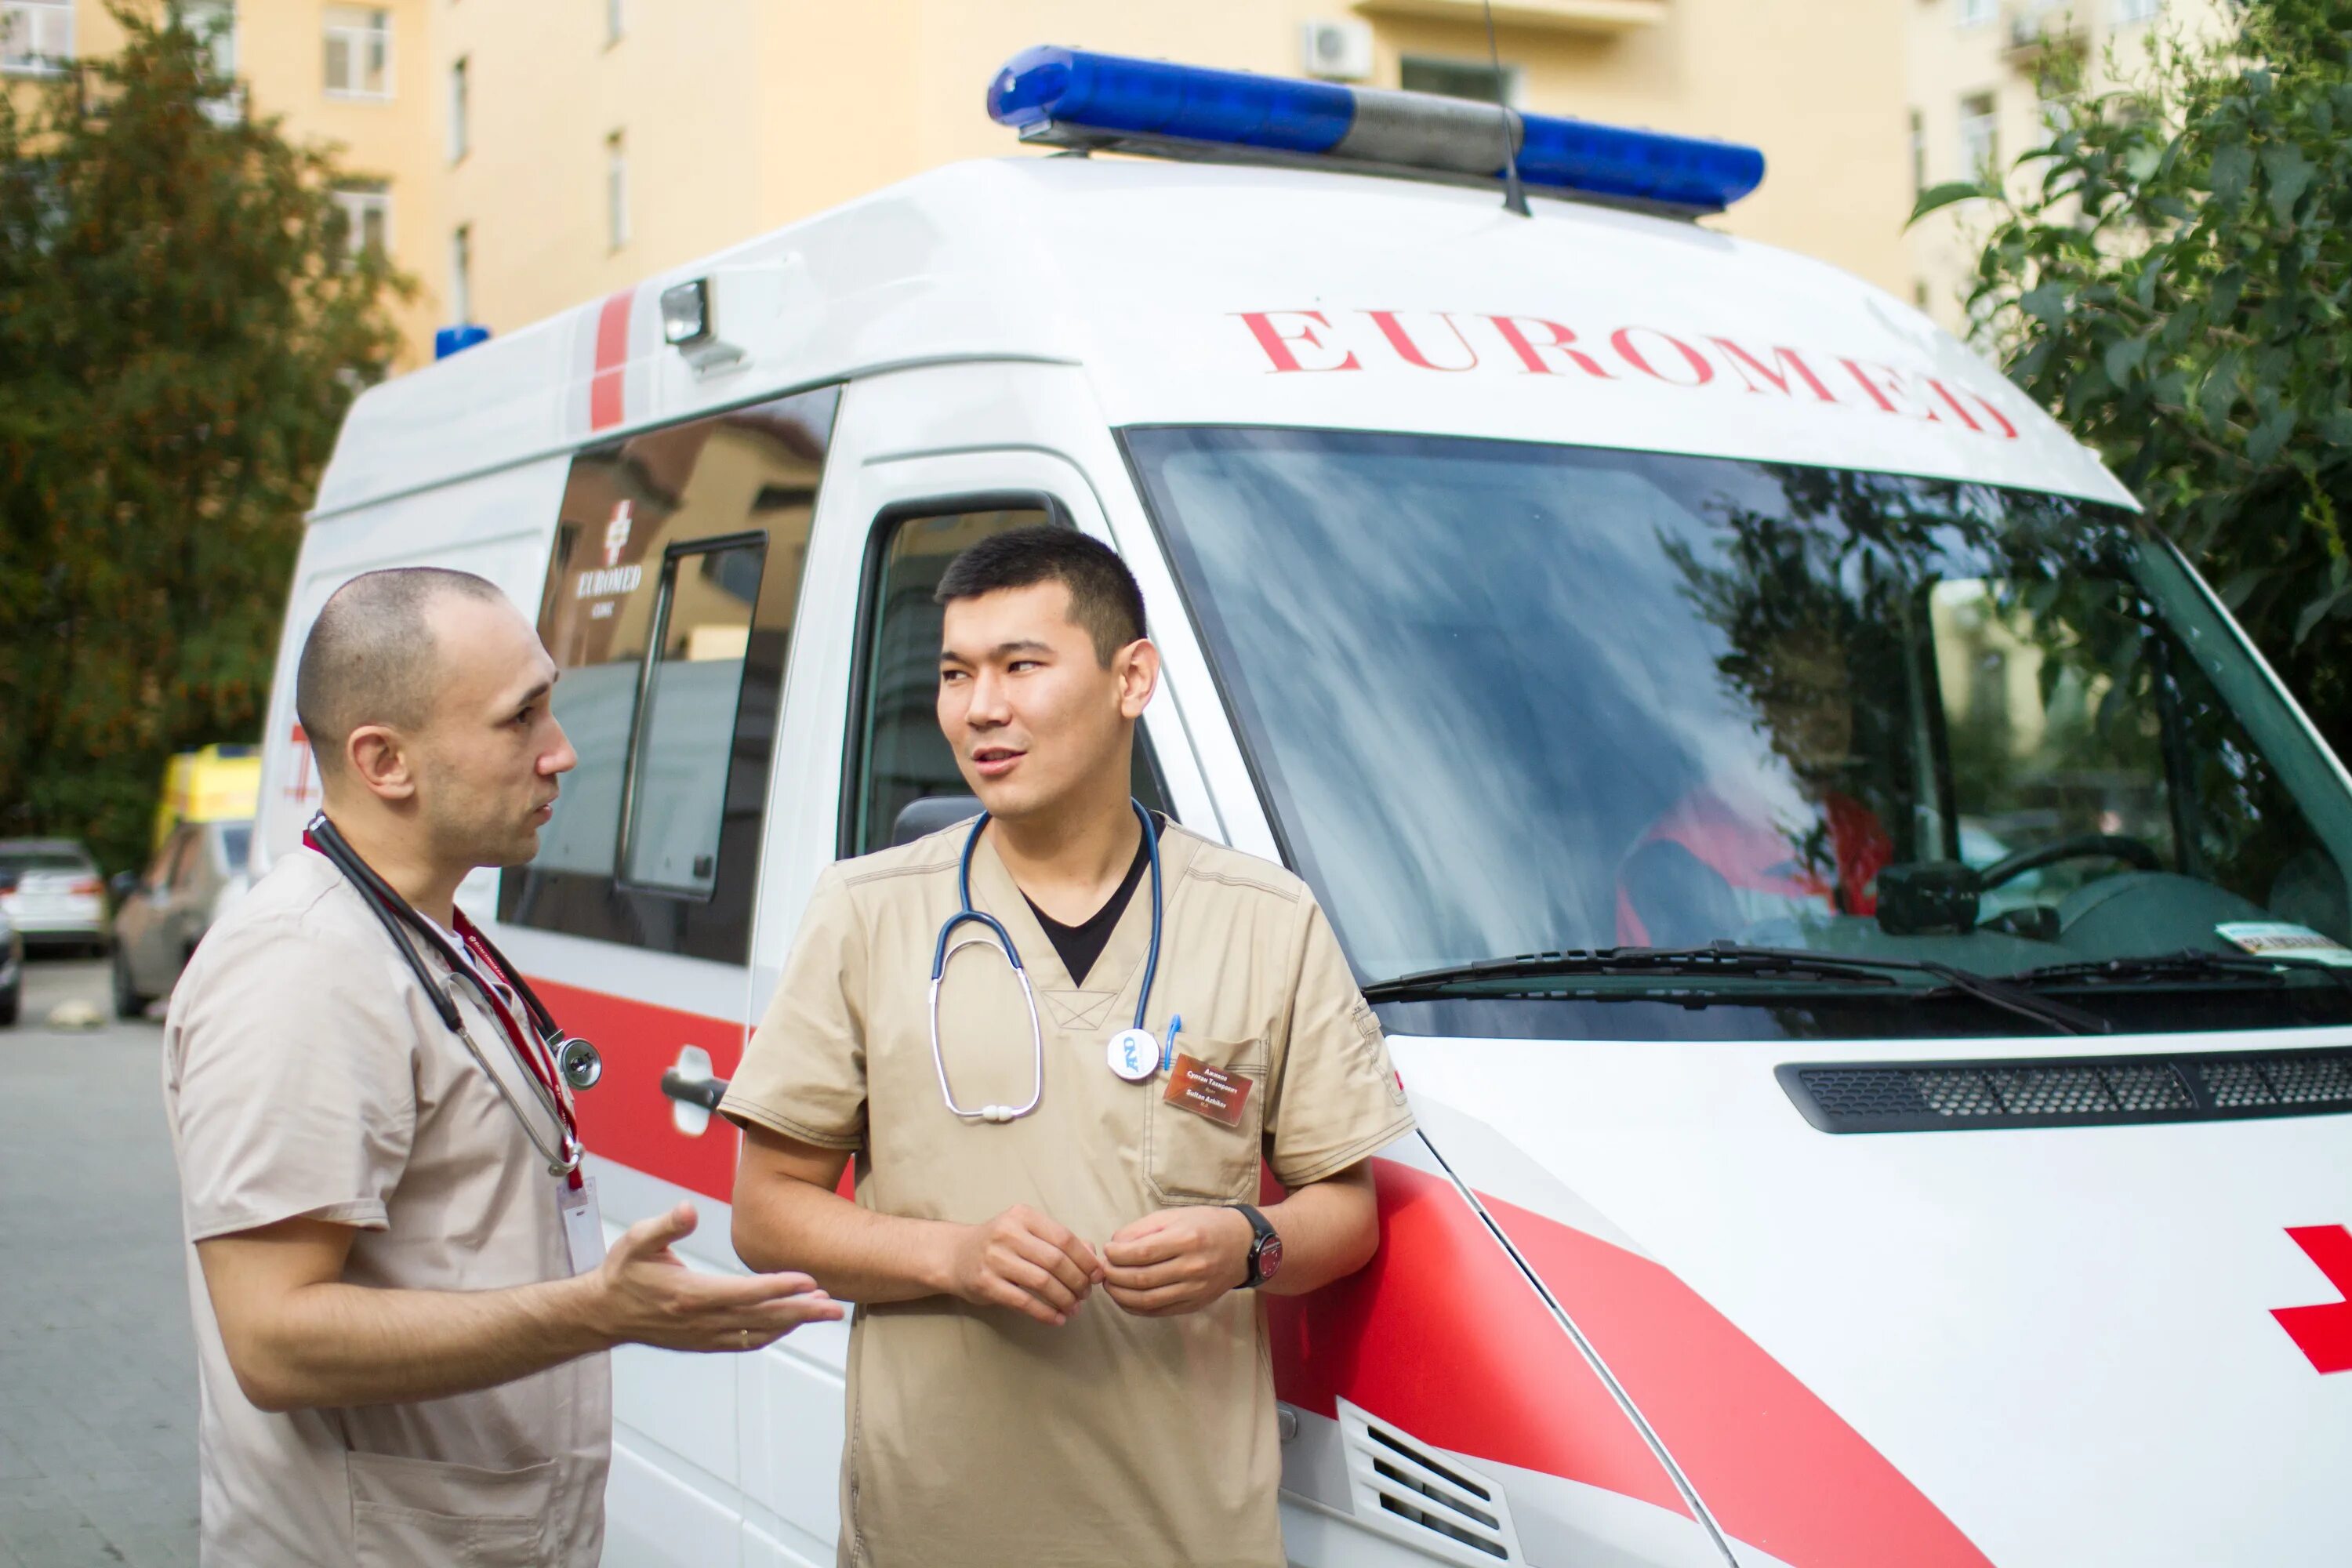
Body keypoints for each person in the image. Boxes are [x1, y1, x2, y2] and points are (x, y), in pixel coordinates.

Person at [723, 528, 1415, 1568]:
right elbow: (765, 1213)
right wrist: (952, 1256)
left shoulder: (1265, 919)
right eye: (957, 673)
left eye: (1020, 667)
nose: (978, 708)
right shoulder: (869, 911)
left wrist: (1248, 1244)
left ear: (1131, 677)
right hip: (935, 1526)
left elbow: (1347, 1213)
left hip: (1189, 1533)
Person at [163, 568, 840, 1567]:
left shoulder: (425, 930)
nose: (561, 752)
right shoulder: (299, 967)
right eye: (520, 718)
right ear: (384, 760)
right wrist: (595, 1311)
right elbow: (273, 1337)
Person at [1617, 622, 1892, 946]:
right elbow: (1688, 991)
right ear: (1760, 711)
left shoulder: (1859, 831)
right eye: (1806, 696)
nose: (1830, 714)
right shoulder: (1680, 850)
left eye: (1838, 694)